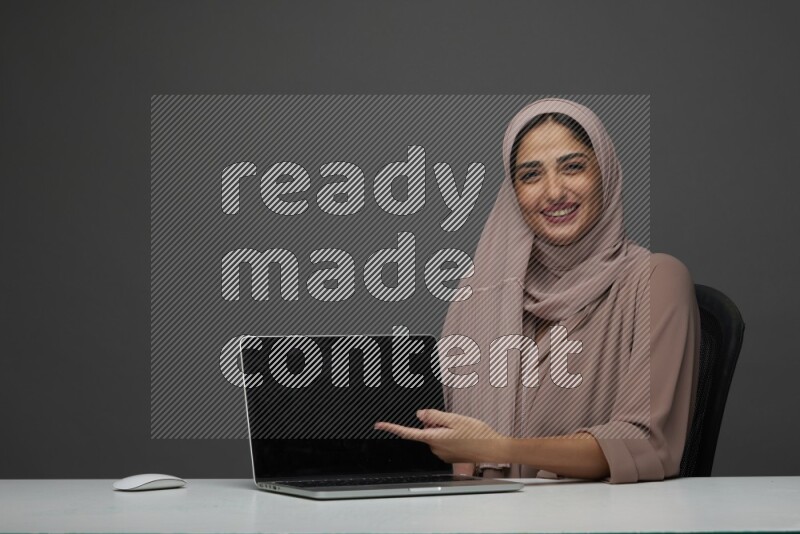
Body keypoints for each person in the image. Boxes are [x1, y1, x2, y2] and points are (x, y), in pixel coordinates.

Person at [374, 98, 701, 483]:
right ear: (513, 193)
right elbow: (458, 452)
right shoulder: (482, 294)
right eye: (531, 175)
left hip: (599, 515)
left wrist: (497, 448)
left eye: (573, 167)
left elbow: (643, 443)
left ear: (606, 174)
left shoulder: (655, 280)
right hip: (485, 511)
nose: (553, 191)